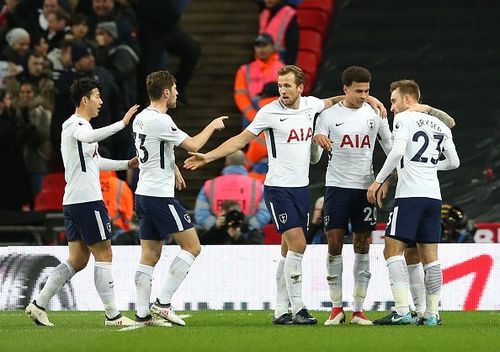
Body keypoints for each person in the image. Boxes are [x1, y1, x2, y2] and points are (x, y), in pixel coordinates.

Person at [184, 65, 386, 325]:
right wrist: (208, 156)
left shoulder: (311, 105)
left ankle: (280, 309)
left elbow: (339, 99)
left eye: (287, 85)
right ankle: (298, 307)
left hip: (300, 189)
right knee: (299, 245)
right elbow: (239, 140)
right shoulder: (268, 112)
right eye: (280, 86)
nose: (282, 91)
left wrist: (370, 98)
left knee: (286, 251)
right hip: (278, 188)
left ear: (300, 88)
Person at [25, 77, 139, 326]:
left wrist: (125, 164)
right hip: (87, 201)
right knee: (104, 253)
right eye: (97, 96)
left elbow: (94, 162)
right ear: (85, 99)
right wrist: (122, 123)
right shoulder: (74, 125)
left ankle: (38, 304)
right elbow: (88, 138)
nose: (101, 101)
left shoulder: (83, 129)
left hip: (76, 201)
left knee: (78, 259)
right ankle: (113, 316)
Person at [132, 70, 227, 327]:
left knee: (150, 255)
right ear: (165, 93)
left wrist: (172, 167)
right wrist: (212, 125)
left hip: (143, 194)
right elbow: (194, 145)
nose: (177, 93)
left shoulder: (141, 118)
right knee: (193, 247)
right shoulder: (162, 121)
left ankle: (142, 315)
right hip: (159, 197)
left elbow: (152, 151)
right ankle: (162, 304)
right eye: (175, 89)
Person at [367, 79, 460, 326]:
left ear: (408, 99)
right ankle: (431, 314)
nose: (393, 107)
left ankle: (401, 310)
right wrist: (427, 167)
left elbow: (397, 152)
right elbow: (454, 163)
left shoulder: (403, 119)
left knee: (391, 249)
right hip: (433, 197)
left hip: (410, 197)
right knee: (430, 257)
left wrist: (378, 180)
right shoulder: (440, 124)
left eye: (394, 101)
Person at [312, 66, 392, 325]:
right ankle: (336, 308)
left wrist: (384, 180)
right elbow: (316, 148)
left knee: (362, 246)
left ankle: (358, 309)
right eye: (358, 91)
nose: (363, 95)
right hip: (336, 187)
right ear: (345, 89)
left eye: (367, 91)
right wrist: (318, 138)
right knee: (334, 244)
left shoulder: (376, 113)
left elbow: (390, 148)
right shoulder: (327, 115)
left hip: (364, 188)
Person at [194, 150, 270, 242]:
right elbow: (265, 213)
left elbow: (200, 214)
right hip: (248, 239)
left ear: (226, 163)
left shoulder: (210, 185)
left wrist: (216, 225)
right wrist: (247, 228)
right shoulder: (258, 186)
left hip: (218, 238)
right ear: (244, 162)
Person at [234, 33, 284, 127]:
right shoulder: (244, 70)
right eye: (258, 46)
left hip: (276, 114)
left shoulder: (283, 69)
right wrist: (252, 115)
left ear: (272, 47)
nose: (261, 49)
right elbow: (240, 95)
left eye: (264, 45)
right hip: (252, 114)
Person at [197, 200, 264, 245]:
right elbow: (201, 245)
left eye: (237, 214)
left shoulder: (250, 230)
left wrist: (239, 237)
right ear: (222, 215)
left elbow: (256, 251)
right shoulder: (216, 231)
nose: (234, 217)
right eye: (230, 214)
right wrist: (216, 228)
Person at [257, 0, 299, 64]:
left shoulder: (288, 14)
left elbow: (292, 47)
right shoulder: (264, 13)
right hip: (262, 64)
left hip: (281, 63)